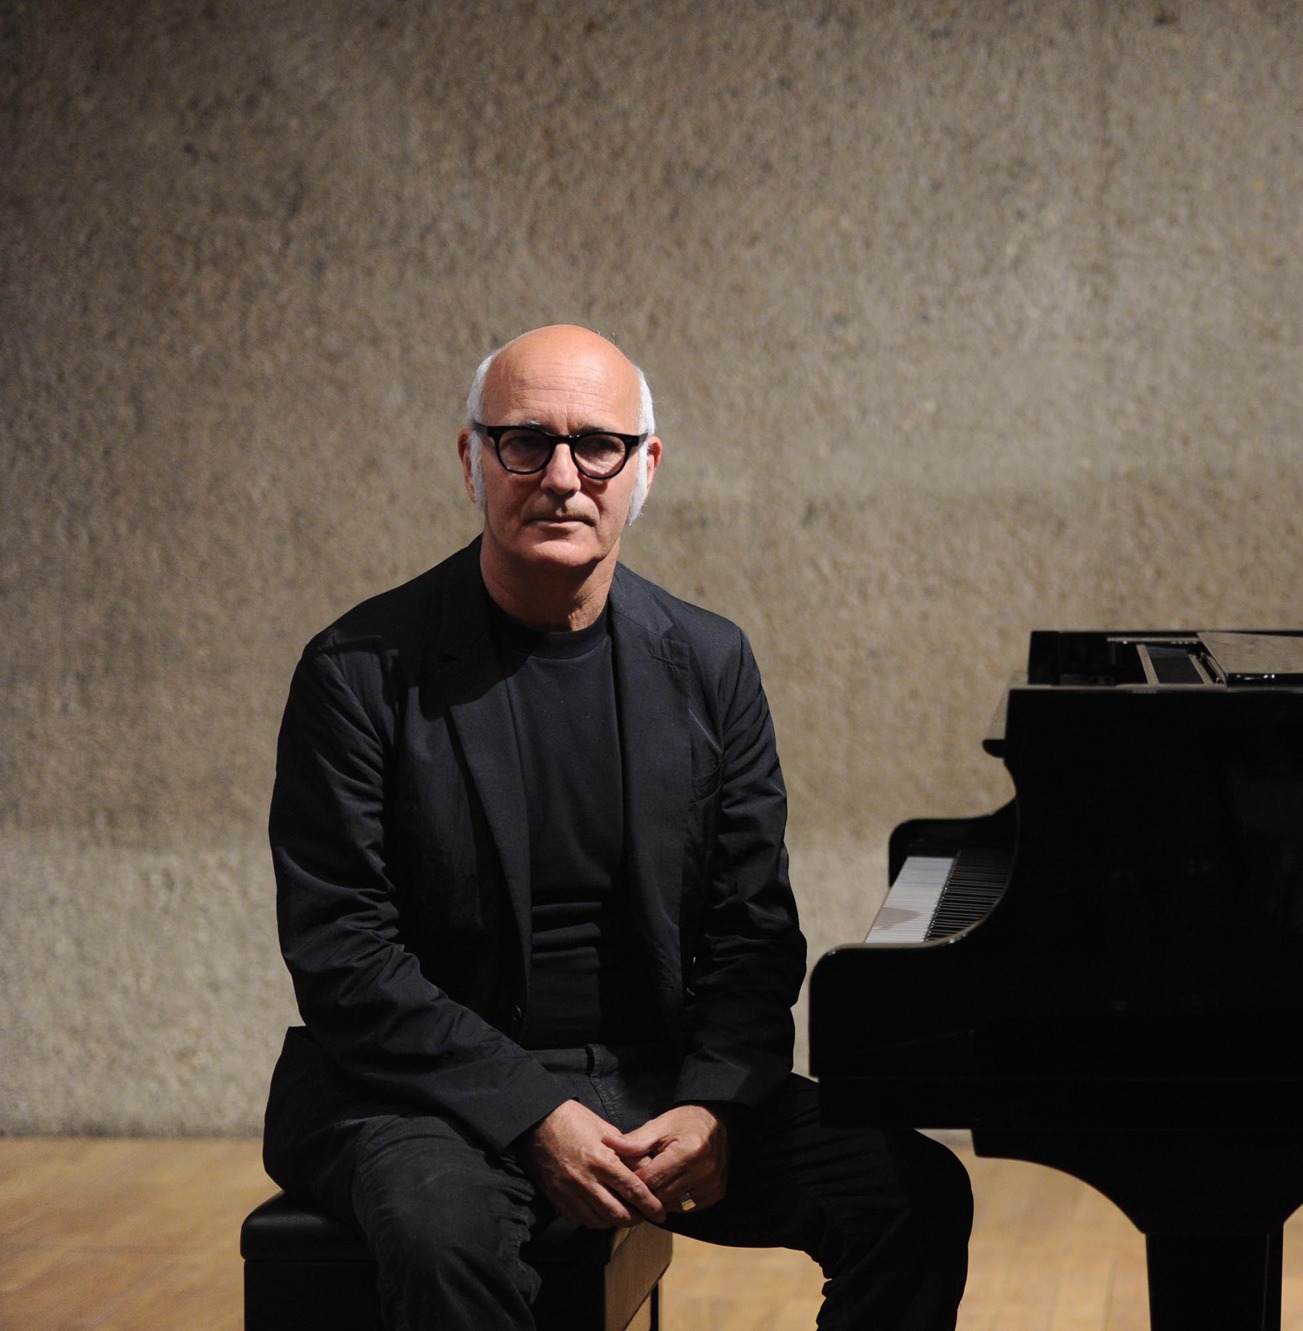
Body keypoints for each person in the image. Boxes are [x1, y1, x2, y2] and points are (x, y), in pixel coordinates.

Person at [261, 324, 971, 1329]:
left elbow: (751, 928)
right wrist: (532, 1112)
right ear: (471, 458)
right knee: (442, 1236)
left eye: (597, 444)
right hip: (424, 1090)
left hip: (653, 1080)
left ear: (645, 467)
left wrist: (717, 1101)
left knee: (911, 1190)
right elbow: (345, 955)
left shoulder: (711, 662)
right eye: (523, 442)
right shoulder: (359, 669)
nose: (562, 475)